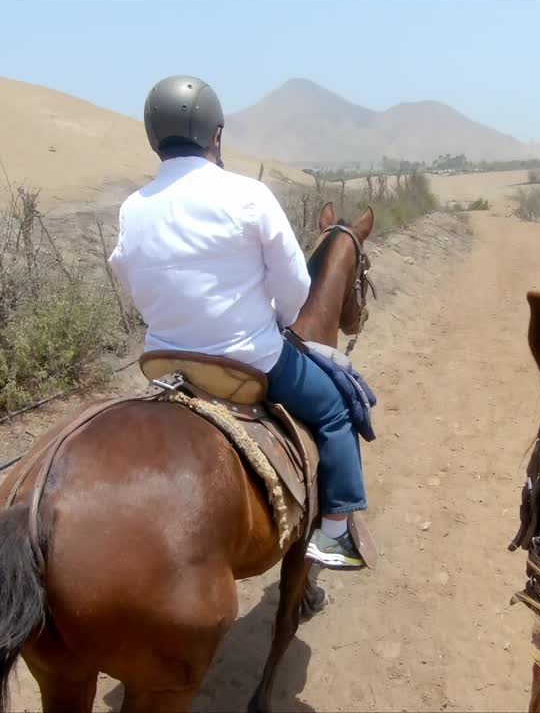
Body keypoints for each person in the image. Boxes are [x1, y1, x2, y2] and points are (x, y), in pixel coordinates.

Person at [108, 74, 368, 570]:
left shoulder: (132, 208)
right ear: (217, 135)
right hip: (251, 359)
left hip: (165, 362)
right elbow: (295, 282)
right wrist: (281, 320)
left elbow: (126, 272)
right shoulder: (248, 194)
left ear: (153, 137)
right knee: (336, 410)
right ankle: (336, 532)